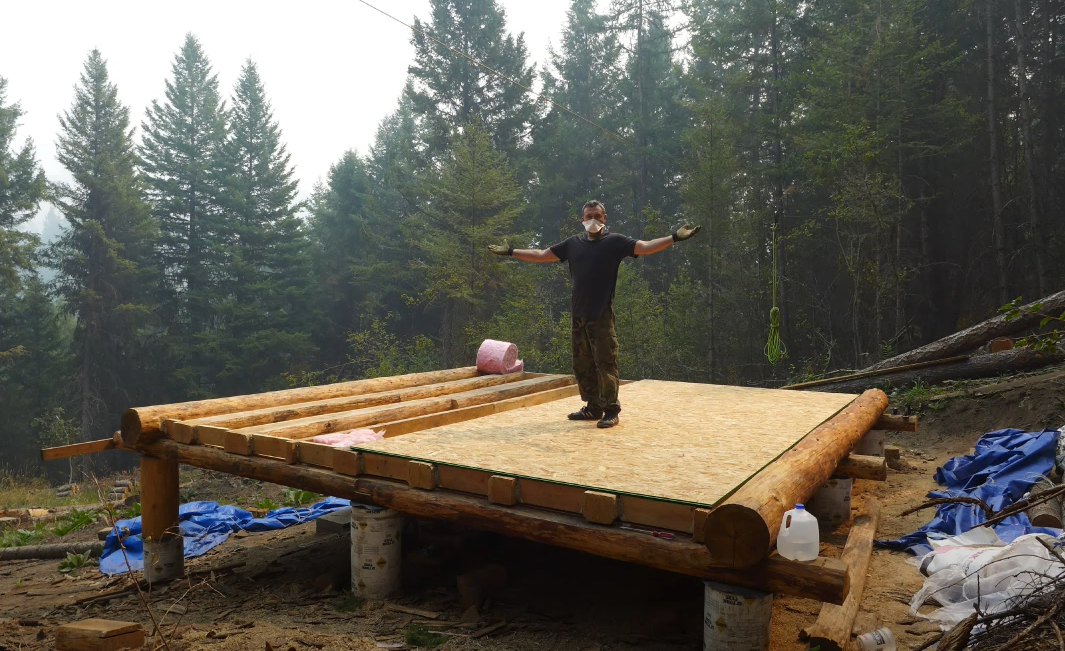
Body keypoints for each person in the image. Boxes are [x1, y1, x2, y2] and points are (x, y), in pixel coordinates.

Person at [487, 200, 700, 428]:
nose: (593, 221)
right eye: (589, 216)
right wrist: (510, 252)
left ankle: (611, 410)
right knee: (582, 363)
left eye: (597, 216)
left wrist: (675, 237)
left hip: (601, 315)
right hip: (579, 315)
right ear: (582, 219)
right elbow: (540, 254)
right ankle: (593, 407)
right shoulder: (572, 244)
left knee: (605, 362)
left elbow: (646, 247)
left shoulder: (615, 242)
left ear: (604, 218)